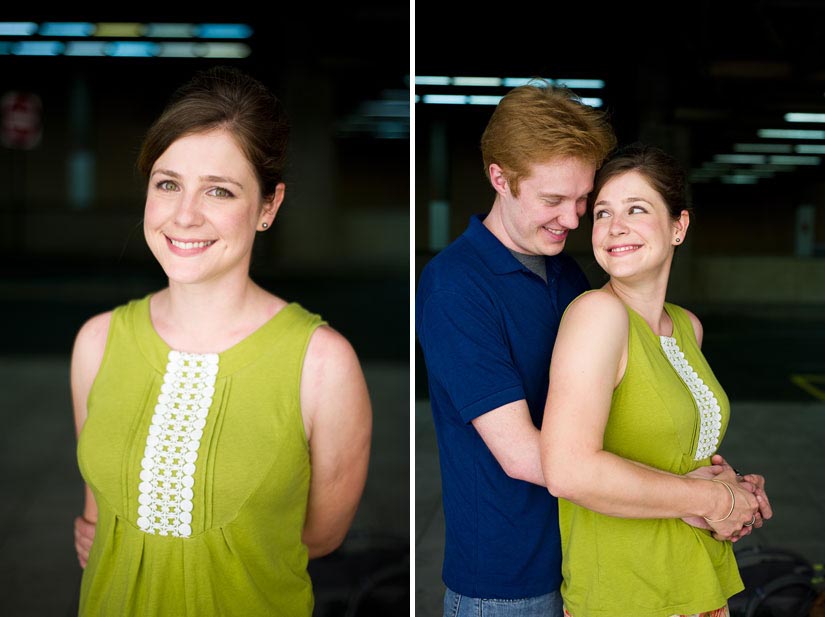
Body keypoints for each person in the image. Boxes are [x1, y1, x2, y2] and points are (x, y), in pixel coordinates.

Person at [71, 66, 372, 616]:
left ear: (267, 207)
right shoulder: (96, 342)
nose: (185, 215)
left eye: (219, 190)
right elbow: (97, 513)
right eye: (168, 183)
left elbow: (319, 537)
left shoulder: (323, 364)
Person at [540, 144, 772, 617]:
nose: (614, 226)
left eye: (636, 209)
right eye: (602, 212)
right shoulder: (597, 315)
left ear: (678, 227)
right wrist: (711, 498)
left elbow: (673, 456)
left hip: (698, 582)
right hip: (628, 594)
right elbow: (568, 471)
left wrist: (736, 493)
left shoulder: (687, 326)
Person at [415, 81, 616, 616]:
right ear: (499, 179)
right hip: (505, 584)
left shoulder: (567, 274)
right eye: (552, 200)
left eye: (582, 199)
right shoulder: (454, 286)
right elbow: (524, 455)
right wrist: (681, 497)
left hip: (583, 558)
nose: (573, 220)